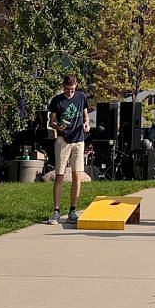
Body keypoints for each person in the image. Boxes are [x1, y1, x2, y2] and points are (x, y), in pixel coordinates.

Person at [44, 73, 91, 226]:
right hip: (63, 140)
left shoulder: (81, 97)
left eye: (71, 89)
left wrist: (86, 124)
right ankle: (56, 211)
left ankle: (72, 210)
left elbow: (85, 116)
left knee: (77, 175)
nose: (69, 92)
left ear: (75, 86)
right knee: (60, 175)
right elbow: (51, 122)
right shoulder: (56, 101)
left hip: (79, 140)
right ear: (63, 87)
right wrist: (58, 126)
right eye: (66, 89)